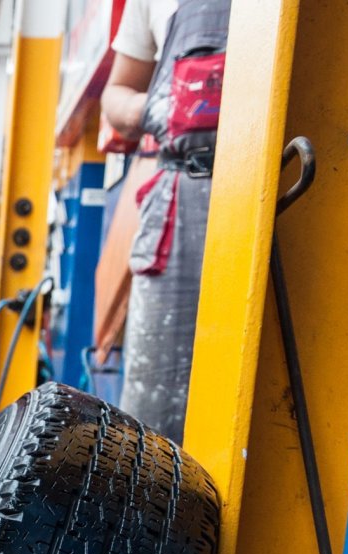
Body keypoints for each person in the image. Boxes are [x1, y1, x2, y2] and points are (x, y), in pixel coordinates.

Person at [101, 0, 230, 442]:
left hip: (294, 180)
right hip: (183, 198)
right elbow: (115, 93)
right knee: (155, 411)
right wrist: (153, 107)